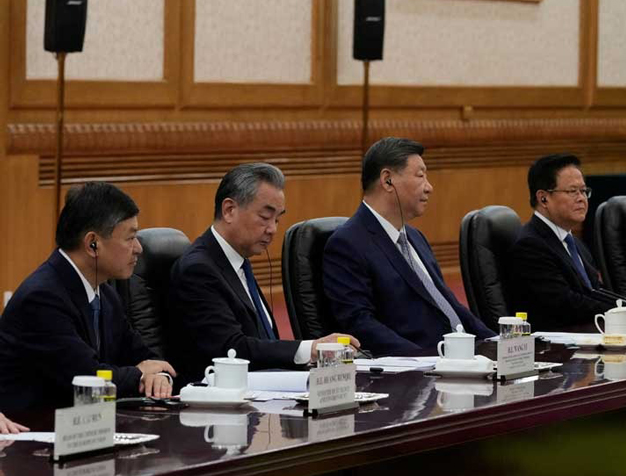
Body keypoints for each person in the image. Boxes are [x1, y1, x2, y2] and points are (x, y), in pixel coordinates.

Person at [168, 163, 358, 382]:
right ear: (229, 210)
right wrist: (311, 349)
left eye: (277, 219)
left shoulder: (238, 261)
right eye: (265, 217)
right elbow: (231, 349)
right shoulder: (198, 270)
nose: (273, 229)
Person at [0, 182, 176, 413]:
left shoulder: (105, 293)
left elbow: (143, 355)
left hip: (86, 428)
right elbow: (87, 377)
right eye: (130, 238)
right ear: (93, 244)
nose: (139, 249)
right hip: (29, 435)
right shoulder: (42, 298)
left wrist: (160, 376)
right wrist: (140, 374)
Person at [323, 137, 495, 356]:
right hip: (415, 372)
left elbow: (448, 304)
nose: (429, 187)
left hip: (458, 360)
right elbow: (360, 324)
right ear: (387, 181)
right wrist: (428, 360)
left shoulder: (415, 237)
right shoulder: (347, 244)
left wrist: (496, 342)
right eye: (421, 176)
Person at [506, 154, 626, 332]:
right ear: (543, 198)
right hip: (554, 347)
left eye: (584, 191)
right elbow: (566, 303)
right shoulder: (531, 245)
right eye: (572, 191)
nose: (581, 198)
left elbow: (595, 292)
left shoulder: (575, 243)